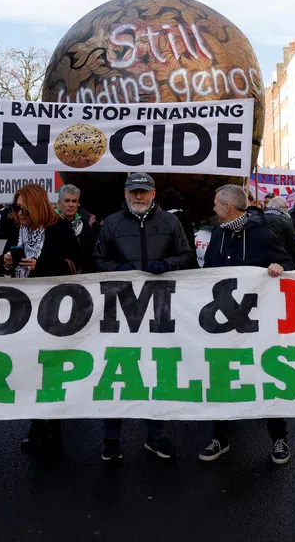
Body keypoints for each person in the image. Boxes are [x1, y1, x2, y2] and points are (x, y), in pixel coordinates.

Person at [93, 173, 193, 461]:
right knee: (117, 374)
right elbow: (97, 259)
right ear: (125, 193)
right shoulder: (111, 223)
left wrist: (165, 265)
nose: (138, 197)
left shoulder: (170, 222)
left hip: (159, 309)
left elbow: (186, 257)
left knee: (155, 372)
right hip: (121, 309)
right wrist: (122, 270)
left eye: (143, 192)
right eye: (133, 192)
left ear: (153, 193)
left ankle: (156, 437)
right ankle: (111, 439)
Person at [199, 185, 294, 465]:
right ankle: (220, 438)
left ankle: (279, 439)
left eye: (216, 204)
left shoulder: (262, 234)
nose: (214, 209)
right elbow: (209, 273)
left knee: (264, 378)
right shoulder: (217, 234)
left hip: (256, 325)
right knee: (221, 378)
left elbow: (289, 262)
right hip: (223, 324)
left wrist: (280, 267)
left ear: (228, 207)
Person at [2, 184, 82, 457]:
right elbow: (7, 265)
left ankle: (52, 426)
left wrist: (42, 264)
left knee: (50, 369)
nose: (19, 213)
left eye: (24, 208)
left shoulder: (59, 229)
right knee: (32, 369)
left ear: (37, 206)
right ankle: (36, 425)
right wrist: (7, 263)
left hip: (53, 308)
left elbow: (75, 264)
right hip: (24, 308)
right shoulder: (16, 229)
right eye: (16, 207)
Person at [56, 184, 96, 272]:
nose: (71, 205)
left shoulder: (85, 226)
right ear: (59, 203)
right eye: (67, 201)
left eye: (74, 201)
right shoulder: (49, 223)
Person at [263, 195, 295, 270]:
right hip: (282, 263)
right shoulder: (286, 221)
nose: (287, 209)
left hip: (262, 264)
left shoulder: (260, 219)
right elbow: (294, 246)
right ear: (281, 208)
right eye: (286, 207)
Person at [157, 187, 196, 259]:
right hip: (190, 263)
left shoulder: (165, 222)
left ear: (160, 206)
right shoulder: (187, 219)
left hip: (173, 265)